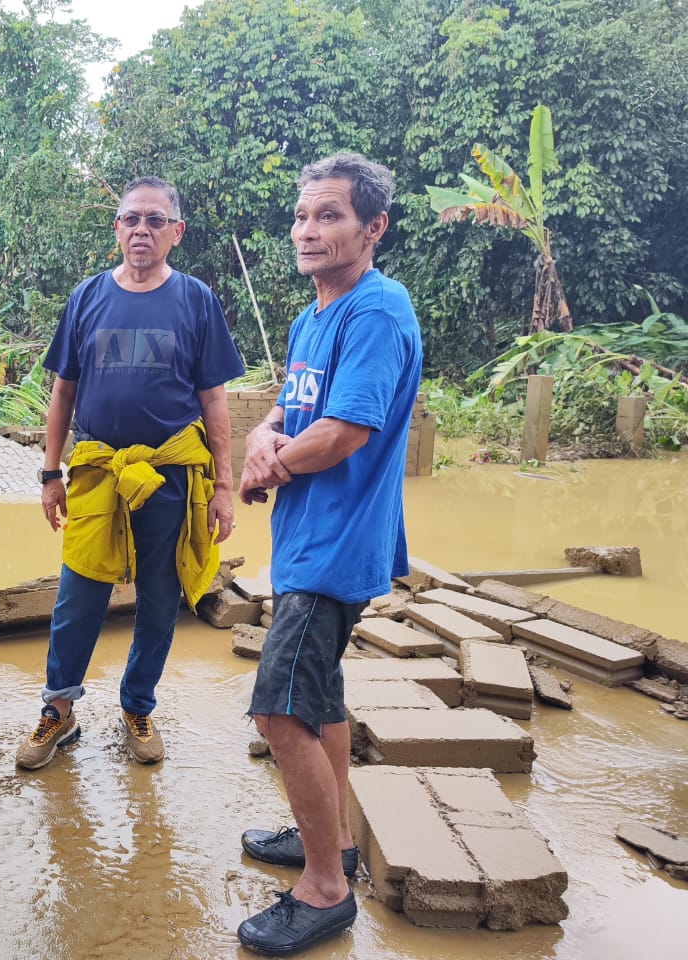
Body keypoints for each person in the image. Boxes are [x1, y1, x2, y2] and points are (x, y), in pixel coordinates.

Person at [233, 153, 422, 954]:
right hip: (308, 538)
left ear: (372, 227)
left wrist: (269, 462)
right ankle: (334, 839)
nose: (309, 230)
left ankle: (324, 888)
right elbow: (294, 403)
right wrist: (257, 434)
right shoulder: (315, 315)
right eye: (303, 216)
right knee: (323, 699)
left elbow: (345, 431)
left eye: (330, 216)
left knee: (280, 711)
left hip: (335, 548)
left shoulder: (377, 311)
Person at [15, 176, 245, 771]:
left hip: (170, 476)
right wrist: (49, 473)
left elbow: (214, 400)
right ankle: (59, 710)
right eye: (130, 219)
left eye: (154, 220)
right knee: (78, 596)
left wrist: (223, 487)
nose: (141, 229)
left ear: (176, 231)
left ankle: (137, 706)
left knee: (160, 599)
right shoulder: (88, 296)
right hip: (96, 472)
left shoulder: (196, 300)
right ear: (116, 228)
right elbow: (63, 391)